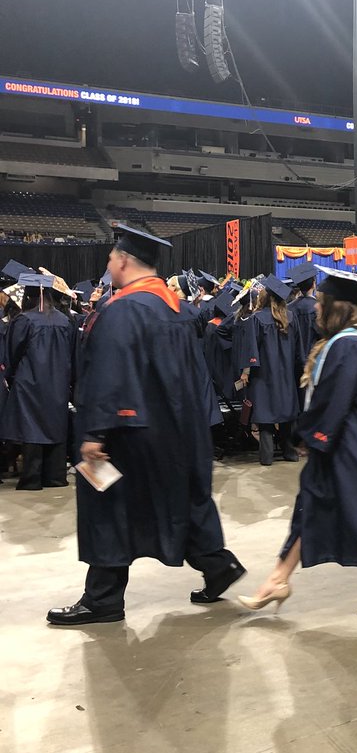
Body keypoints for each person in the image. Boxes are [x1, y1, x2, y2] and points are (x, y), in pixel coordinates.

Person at [47, 224, 244, 626]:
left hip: (127, 434)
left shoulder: (123, 310)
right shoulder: (175, 308)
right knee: (177, 500)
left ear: (122, 261)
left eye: (109, 259)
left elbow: (109, 374)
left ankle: (102, 599)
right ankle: (217, 564)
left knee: (108, 506)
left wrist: (94, 434)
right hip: (177, 430)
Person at [238, 266, 357, 615]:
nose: (314, 307)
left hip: (356, 448)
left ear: (336, 307)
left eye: (321, 302)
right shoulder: (343, 342)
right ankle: (279, 579)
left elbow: (334, 400)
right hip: (346, 446)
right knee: (313, 508)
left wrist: (314, 436)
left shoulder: (348, 345)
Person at [0, 273, 76, 490]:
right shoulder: (66, 321)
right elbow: (74, 355)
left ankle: (32, 479)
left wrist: (11, 376)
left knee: (32, 429)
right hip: (59, 384)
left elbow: (12, 353)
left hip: (30, 382)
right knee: (56, 427)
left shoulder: (24, 320)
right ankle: (54, 476)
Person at [238, 274, 304, 465]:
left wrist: (246, 371)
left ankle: (266, 457)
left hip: (264, 375)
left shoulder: (256, 319)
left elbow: (252, 350)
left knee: (266, 416)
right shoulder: (291, 318)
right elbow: (299, 350)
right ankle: (290, 453)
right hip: (286, 374)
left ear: (264, 296)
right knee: (287, 414)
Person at [287, 262, 320, 359]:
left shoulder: (288, 308)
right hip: (312, 360)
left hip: (293, 359)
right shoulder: (318, 308)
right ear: (314, 284)